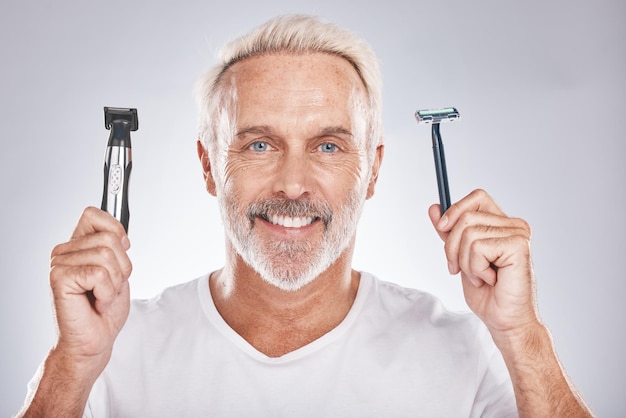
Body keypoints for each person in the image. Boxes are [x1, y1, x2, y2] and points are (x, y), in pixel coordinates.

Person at [18, 14, 593, 417]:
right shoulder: (108, 355)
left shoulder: (466, 354)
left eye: (328, 147)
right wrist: (74, 362)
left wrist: (523, 337)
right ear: (209, 165)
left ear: (372, 171)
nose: (293, 184)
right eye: (260, 145)